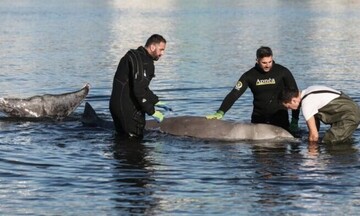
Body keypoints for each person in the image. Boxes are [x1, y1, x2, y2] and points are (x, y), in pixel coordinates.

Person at [206, 46, 300, 132]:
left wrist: (294, 120)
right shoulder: (249, 75)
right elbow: (234, 94)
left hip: (280, 118)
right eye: (264, 63)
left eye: (269, 62)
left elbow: (296, 97)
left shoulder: (282, 72)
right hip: (258, 118)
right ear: (257, 60)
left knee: (280, 148)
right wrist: (221, 112)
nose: (267, 65)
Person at [109, 34, 171, 138]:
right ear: (152, 47)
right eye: (161, 50)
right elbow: (138, 90)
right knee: (134, 142)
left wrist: (155, 101)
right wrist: (152, 111)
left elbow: (141, 87)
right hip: (128, 109)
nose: (162, 53)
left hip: (117, 106)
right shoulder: (141, 61)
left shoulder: (135, 57)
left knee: (121, 141)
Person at [279, 85, 360, 144]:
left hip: (349, 115)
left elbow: (314, 135)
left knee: (329, 141)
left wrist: (311, 151)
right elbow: (315, 123)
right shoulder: (310, 90)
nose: (290, 110)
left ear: (293, 100)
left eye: (289, 107)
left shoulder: (307, 104)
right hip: (350, 108)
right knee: (340, 140)